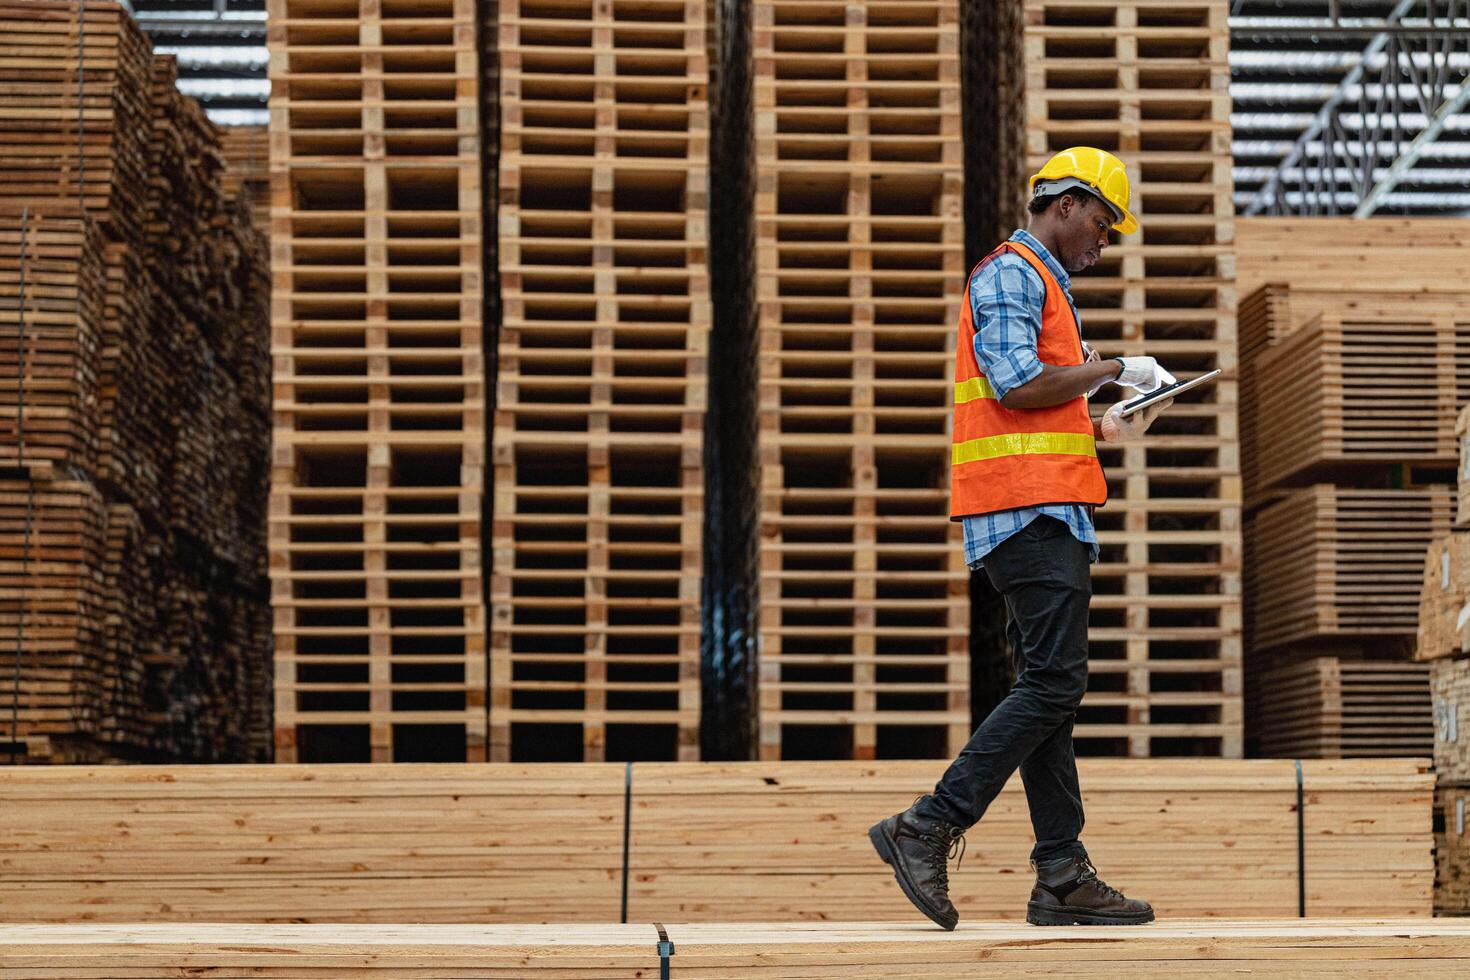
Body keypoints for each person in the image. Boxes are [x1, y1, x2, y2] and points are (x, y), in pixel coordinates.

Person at [868, 147, 1173, 929]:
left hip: (1047, 509)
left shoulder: (1047, 290)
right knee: (1053, 685)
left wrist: (1116, 416)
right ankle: (927, 824)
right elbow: (1015, 381)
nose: (1104, 240)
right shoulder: (1012, 272)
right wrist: (1113, 366)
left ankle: (1062, 874)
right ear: (1065, 204)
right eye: (1102, 222)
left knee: (1052, 696)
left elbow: (1040, 412)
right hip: (1026, 514)